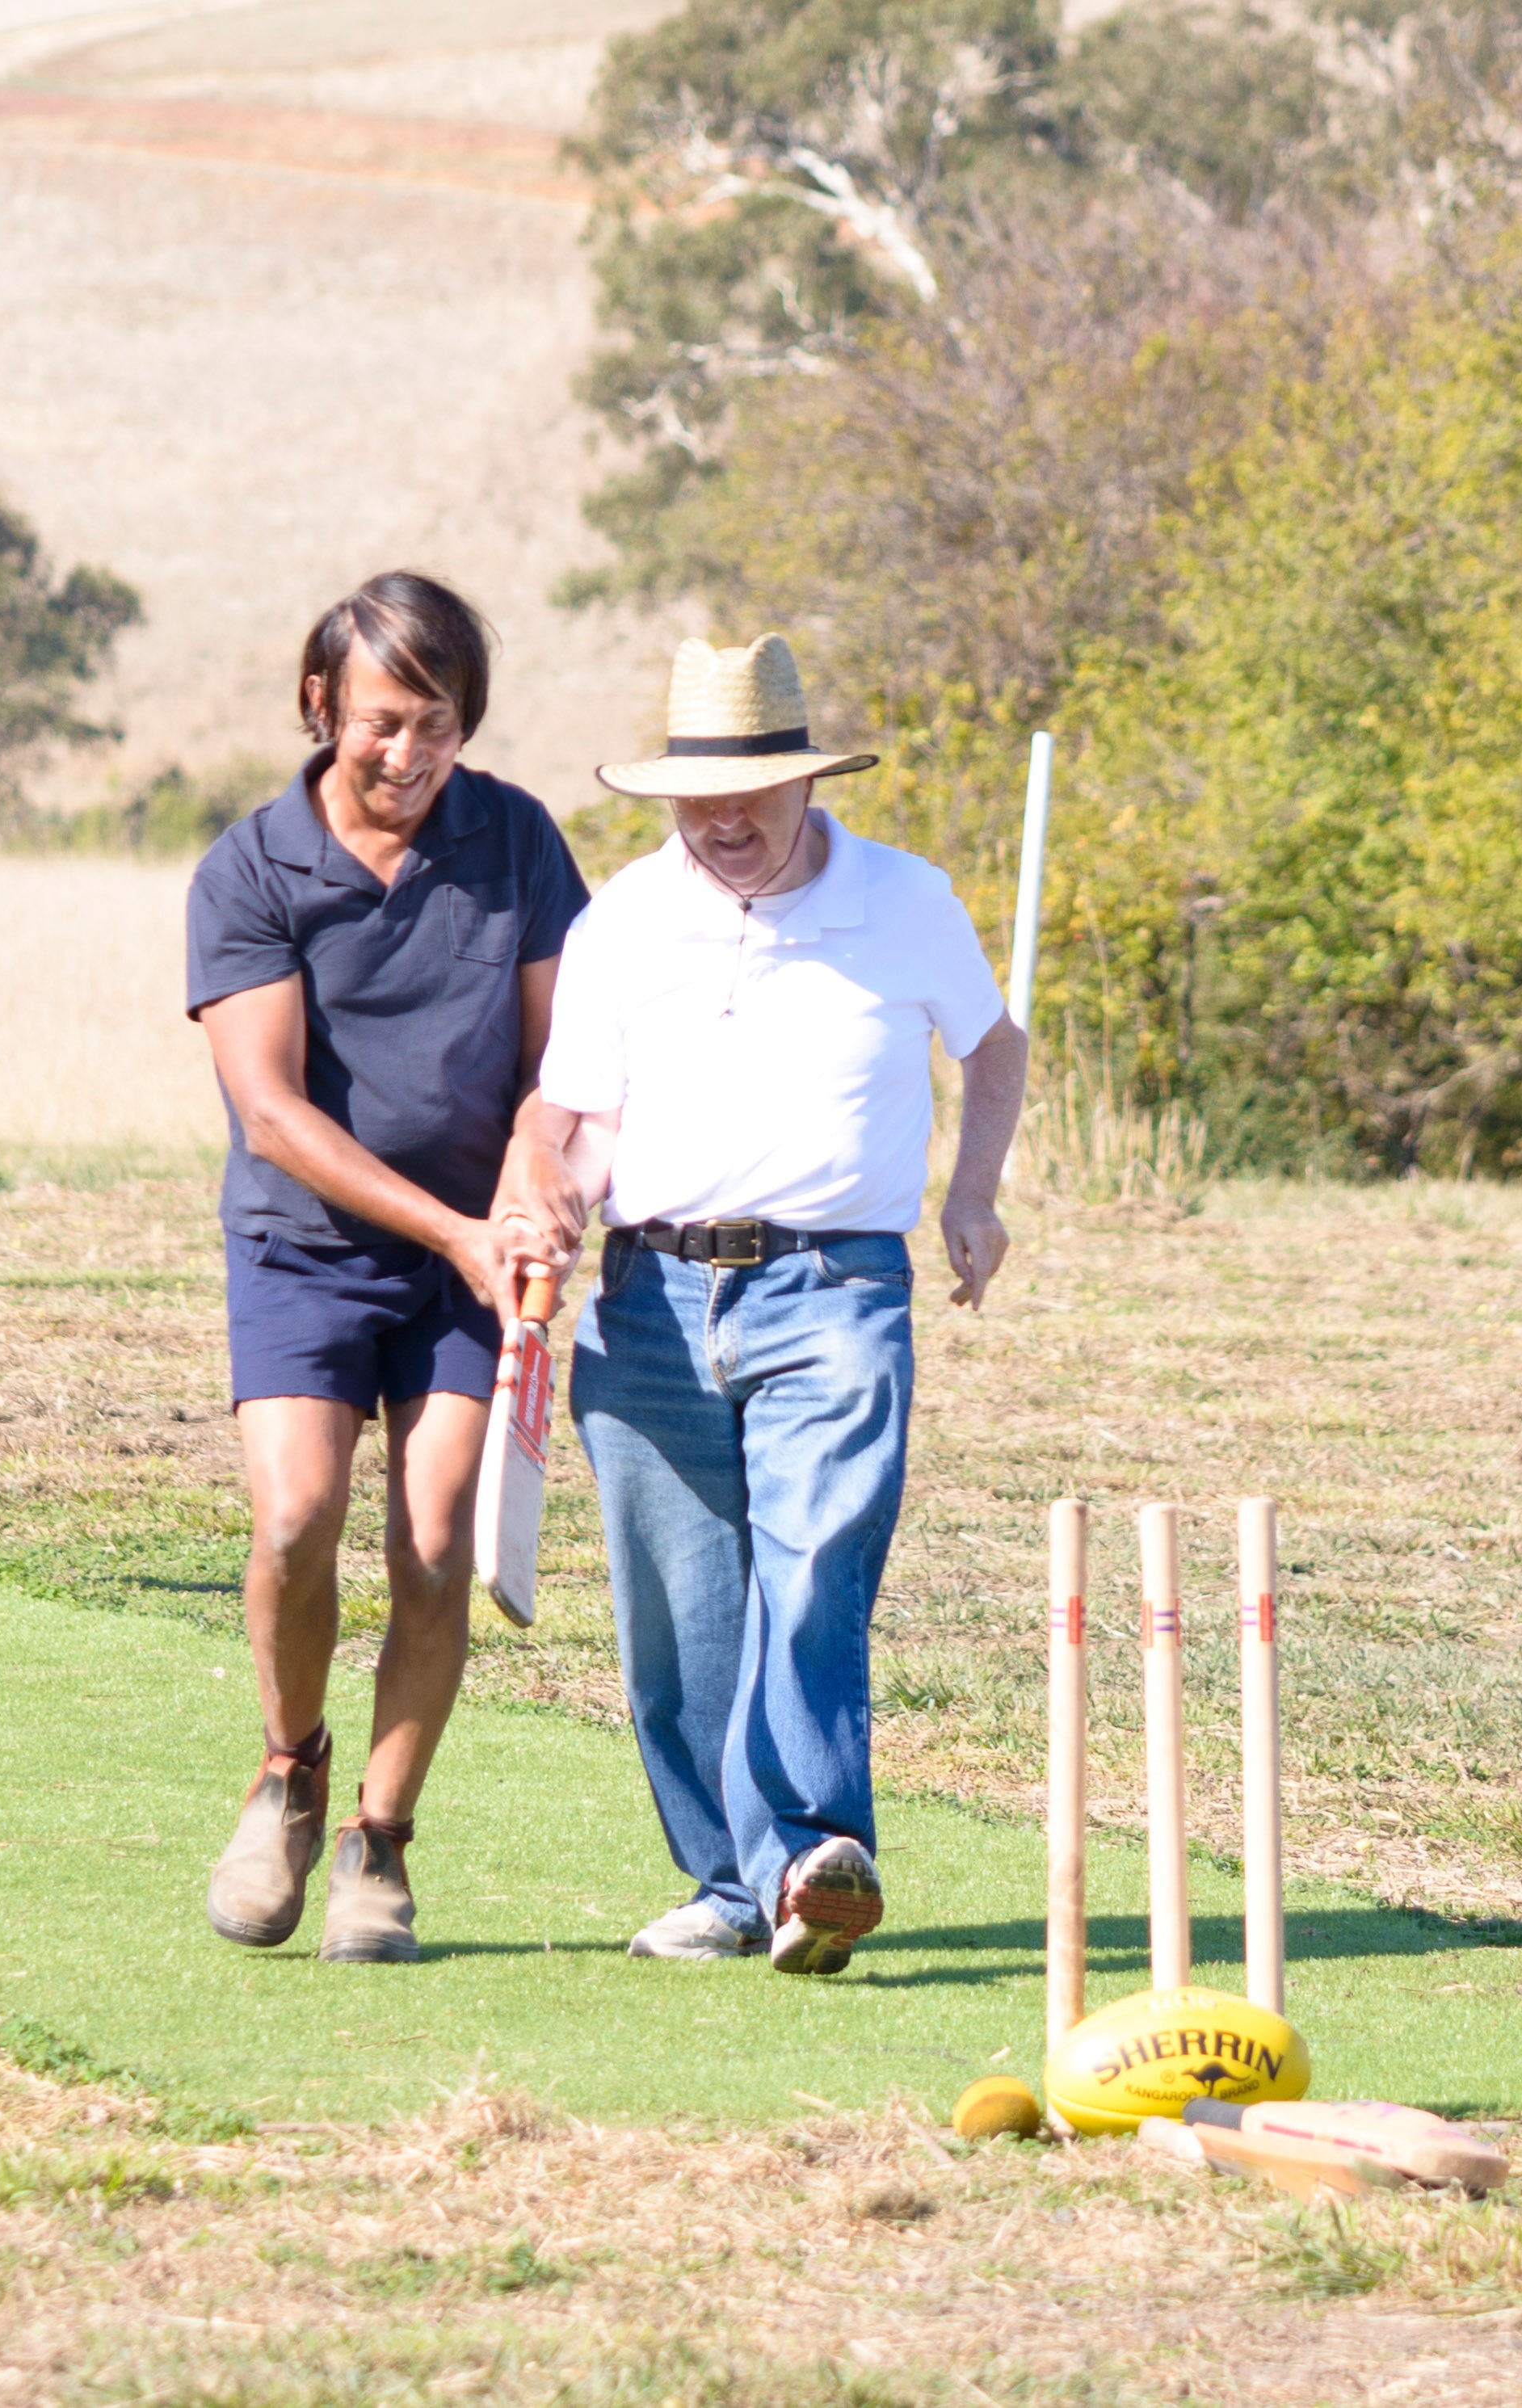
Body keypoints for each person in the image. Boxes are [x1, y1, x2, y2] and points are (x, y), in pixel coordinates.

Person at [508, 633, 1028, 1975]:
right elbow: (565, 1111)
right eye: (699, 798)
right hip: (648, 1300)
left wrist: (974, 1193)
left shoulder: (908, 899)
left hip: (837, 1289)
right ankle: (736, 1888)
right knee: (679, 1621)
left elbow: (993, 1042)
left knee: (813, 1574)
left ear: (809, 782)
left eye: (753, 793)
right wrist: (541, 1202)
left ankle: (810, 1855)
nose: (725, 823)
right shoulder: (622, 916)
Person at [187, 571, 588, 1965]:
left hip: (474, 1276)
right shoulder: (248, 869)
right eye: (381, 723)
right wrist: (461, 1226)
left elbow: (564, 1064)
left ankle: (378, 1842)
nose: (408, 756)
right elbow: (275, 1115)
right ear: (321, 708)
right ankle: (288, 1772)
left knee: (430, 1545)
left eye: (436, 726)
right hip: (306, 1253)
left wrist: (538, 1169)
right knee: (296, 1522)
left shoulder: (521, 841)